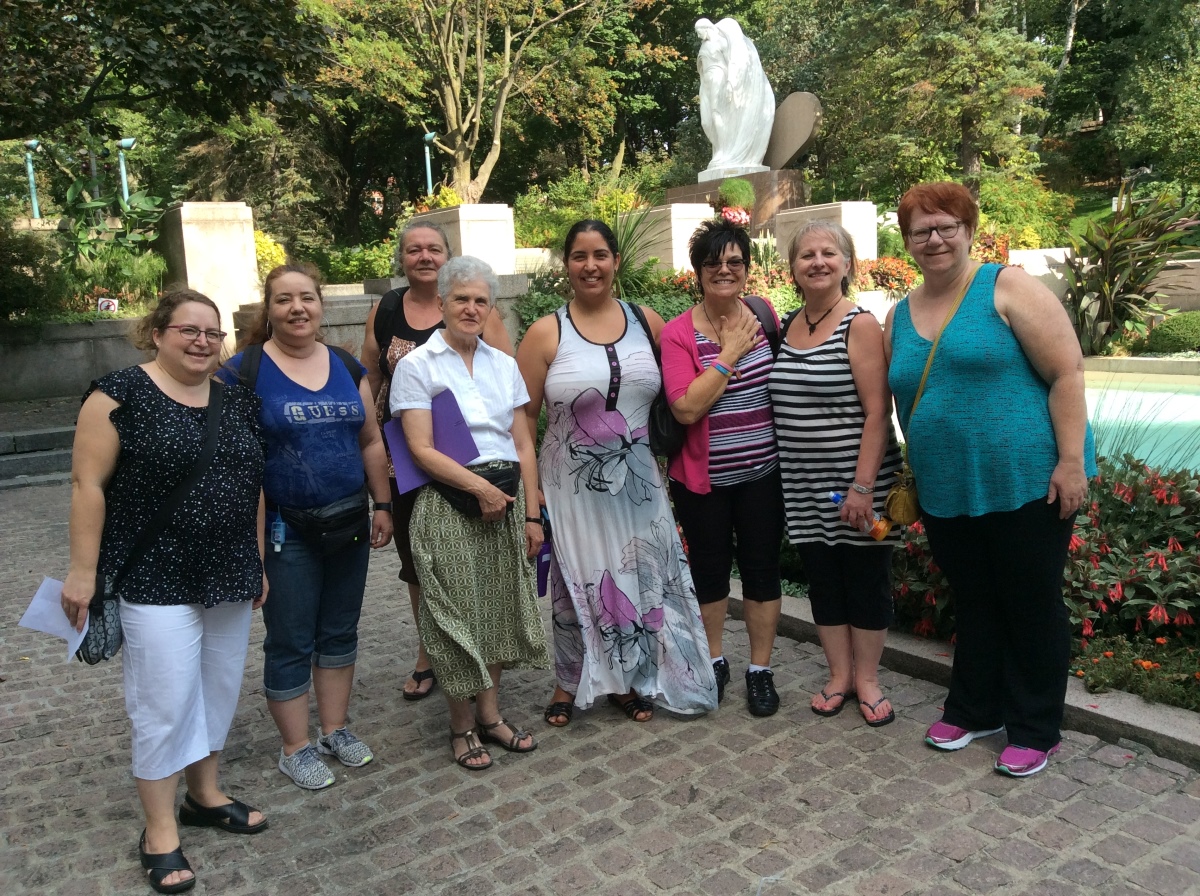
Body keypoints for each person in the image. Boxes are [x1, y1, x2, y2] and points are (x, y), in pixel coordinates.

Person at [884, 182, 1096, 777]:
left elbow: (1067, 373)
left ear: (969, 231)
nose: (934, 239)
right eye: (921, 230)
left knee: (1030, 602)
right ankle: (975, 708)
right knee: (974, 601)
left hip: (1027, 480)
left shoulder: (1006, 287)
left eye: (946, 226)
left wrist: (1072, 462)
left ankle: (1035, 727)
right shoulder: (898, 314)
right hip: (947, 487)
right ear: (907, 242)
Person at [62, 290, 268, 894]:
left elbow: (252, 485)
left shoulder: (238, 400)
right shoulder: (117, 396)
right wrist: (82, 570)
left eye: (212, 332)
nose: (202, 341)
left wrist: (257, 559)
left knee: (217, 689)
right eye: (188, 330)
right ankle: (159, 830)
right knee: (164, 701)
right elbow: (86, 484)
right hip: (154, 573)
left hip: (228, 570)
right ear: (157, 333)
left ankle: (204, 795)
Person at [517, 220, 717, 726]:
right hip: (569, 487)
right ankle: (569, 682)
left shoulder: (647, 322)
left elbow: (680, 391)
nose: (591, 266)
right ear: (566, 265)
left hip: (639, 482)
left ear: (616, 261)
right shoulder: (545, 333)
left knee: (638, 577)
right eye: (579, 256)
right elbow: (522, 421)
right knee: (576, 584)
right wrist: (531, 496)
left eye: (600, 255)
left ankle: (628, 679)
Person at [222, 262, 394, 790]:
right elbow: (233, 461)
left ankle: (334, 729)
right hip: (284, 530)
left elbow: (370, 440)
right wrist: (248, 547)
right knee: (291, 638)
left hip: (348, 523)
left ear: (321, 305)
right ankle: (295, 747)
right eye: (284, 299)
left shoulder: (345, 364)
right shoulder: (243, 371)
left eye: (307, 298)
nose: (297, 308)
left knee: (339, 629)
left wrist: (382, 504)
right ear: (268, 309)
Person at [390, 256, 549, 770]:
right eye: (461, 299)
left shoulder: (504, 365)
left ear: (491, 308)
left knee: (498, 610)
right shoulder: (418, 366)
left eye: (481, 301)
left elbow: (522, 444)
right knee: (455, 616)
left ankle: (490, 715)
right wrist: (480, 489)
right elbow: (420, 448)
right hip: (450, 504)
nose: (471, 308)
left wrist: (531, 514)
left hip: (506, 504)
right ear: (441, 303)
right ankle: (460, 727)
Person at [361, 220, 513, 702]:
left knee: (473, 559)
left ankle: (480, 652)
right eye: (413, 249)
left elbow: (503, 381)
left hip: (475, 458)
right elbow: (369, 378)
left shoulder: (477, 306)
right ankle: (430, 653)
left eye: (433, 248)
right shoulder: (387, 309)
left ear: (448, 256)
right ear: (402, 258)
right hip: (407, 456)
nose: (424, 256)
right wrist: (367, 444)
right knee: (418, 560)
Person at [769, 222, 904, 726]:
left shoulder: (859, 325)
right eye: (807, 254)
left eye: (829, 253)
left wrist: (862, 488)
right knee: (824, 582)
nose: (818, 262)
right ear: (793, 267)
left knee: (866, 581)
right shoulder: (787, 324)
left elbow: (878, 412)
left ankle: (867, 679)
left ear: (847, 264)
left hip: (858, 485)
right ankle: (839, 675)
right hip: (804, 486)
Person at [660, 219, 785, 717]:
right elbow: (686, 408)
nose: (724, 270)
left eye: (735, 261)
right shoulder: (678, 334)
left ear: (748, 268)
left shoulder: (764, 314)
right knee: (710, 573)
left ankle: (760, 669)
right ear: (698, 271)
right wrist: (730, 353)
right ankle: (713, 661)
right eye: (713, 263)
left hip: (763, 474)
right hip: (703, 481)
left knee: (762, 570)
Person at [695, 17, 775, 170]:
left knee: (717, 115)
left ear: (707, 28)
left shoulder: (721, 42)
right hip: (707, 85)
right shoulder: (704, 45)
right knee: (706, 121)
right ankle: (722, 150)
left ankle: (725, 152)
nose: (698, 35)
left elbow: (734, 61)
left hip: (719, 80)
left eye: (699, 31)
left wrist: (731, 82)